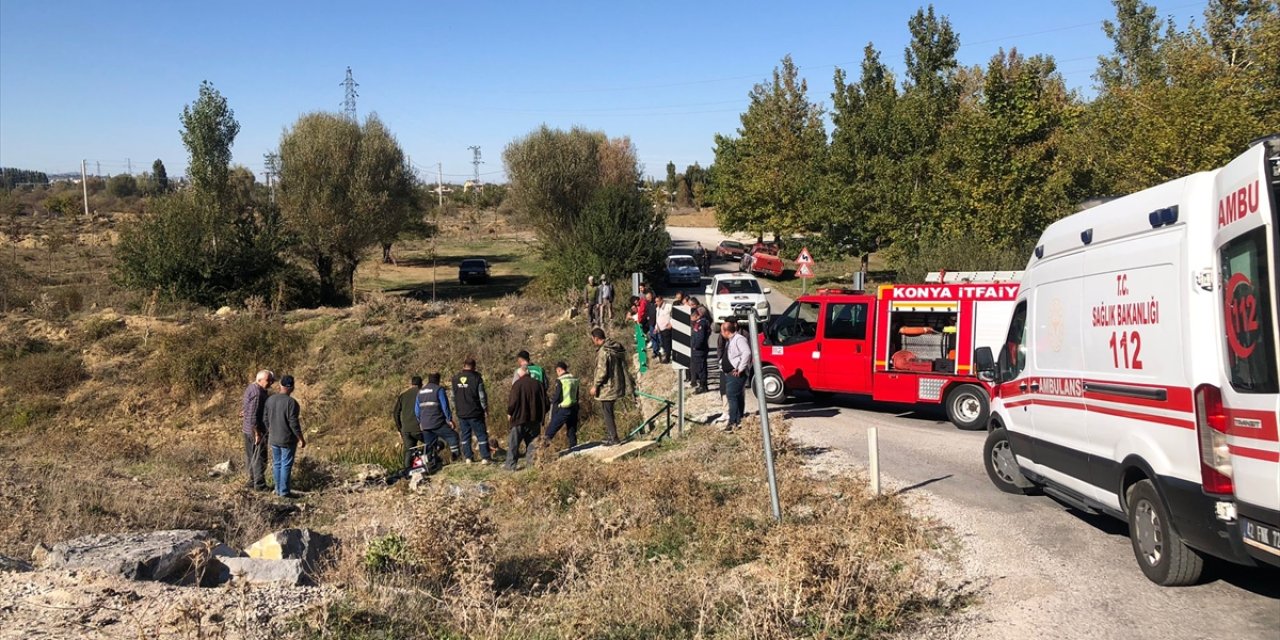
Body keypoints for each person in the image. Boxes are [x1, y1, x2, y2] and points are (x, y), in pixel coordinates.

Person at [590, 328, 633, 445]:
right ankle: (611, 434)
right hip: (617, 384)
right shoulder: (614, 347)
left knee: (607, 412)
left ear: (596, 338)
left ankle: (614, 438)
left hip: (607, 387)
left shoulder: (604, 351)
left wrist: (595, 386)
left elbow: (602, 371)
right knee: (609, 411)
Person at [265, 375, 305, 498]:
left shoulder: (270, 400)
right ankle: (284, 492)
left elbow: (265, 419)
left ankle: (277, 489)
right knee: (286, 464)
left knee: (277, 463)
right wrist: (300, 438)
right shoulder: (292, 403)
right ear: (292, 388)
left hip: (274, 438)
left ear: (280, 385)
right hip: (287, 439)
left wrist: (270, 430)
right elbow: (294, 423)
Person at [506, 366, 548, 470]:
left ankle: (510, 466)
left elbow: (513, 402)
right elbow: (547, 403)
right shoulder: (539, 385)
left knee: (514, 444)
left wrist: (509, 413)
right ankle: (532, 466)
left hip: (519, 419)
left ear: (519, 375)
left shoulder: (517, 385)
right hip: (534, 419)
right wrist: (541, 415)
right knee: (532, 445)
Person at [416, 373, 461, 467]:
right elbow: (445, 406)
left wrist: (420, 421)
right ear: (438, 380)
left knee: (429, 446)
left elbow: (416, 410)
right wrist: (449, 419)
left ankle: (430, 465)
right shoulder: (438, 389)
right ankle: (456, 459)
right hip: (437, 422)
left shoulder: (420, 392)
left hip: (425, 425)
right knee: (453, 436)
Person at [239, 370, 274, 491]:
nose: (271, 383)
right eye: (268, 380)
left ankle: (252, 481)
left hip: (247, 429)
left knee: (251, 456)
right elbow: (254, 415)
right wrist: (257, 433)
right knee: (260, 457)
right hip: (255, 431)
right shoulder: (258, 393)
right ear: (259, 380)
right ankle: (259, 485)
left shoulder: (251, 388)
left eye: (271, 380)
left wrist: (245, 412)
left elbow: (249, 407)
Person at [452, 358, 492, 464]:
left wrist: (456, 408)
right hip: (475, 411)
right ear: (474, 366)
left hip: (461, 413)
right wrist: (485, 408)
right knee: (481, 434)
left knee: (465, 435)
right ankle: (485, 457)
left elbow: (453, 396)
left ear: (464, 365)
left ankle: (468, 458)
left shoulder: (455, 378)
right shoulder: (477, 378)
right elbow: (482, 396)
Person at [721, 320, 752, 432]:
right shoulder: (731, 340)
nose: (721, 333)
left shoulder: (739, 339)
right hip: (730, 373)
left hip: (737, 374)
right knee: (737, 397)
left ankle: (733, 422)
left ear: (726, 331)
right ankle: (738, 420)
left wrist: (740, 368)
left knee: (732, 397)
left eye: (721, 331)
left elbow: (747, 352)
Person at [392, 375, 424, 472]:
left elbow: (395, 412)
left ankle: (407, 473)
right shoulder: (422, 394)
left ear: (411, 384)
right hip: (420, 428)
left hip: (406, 429)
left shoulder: (403, 395)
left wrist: (399, 428)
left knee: (408, 451)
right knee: (433, 443)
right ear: (421, 384)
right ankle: (428, 465)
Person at [545, 361, 580, 449]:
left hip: (564, 408)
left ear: (559, 370)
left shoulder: (560, 380)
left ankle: (541, 451)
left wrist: (552, 405)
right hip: (574, 407)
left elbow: (557, 396)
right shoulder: (574, 378)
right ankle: (574, 448)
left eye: (557, 371)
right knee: (571, 430)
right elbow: (577, 394)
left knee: (550, 430)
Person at [690, 306, 711, 394]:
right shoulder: (699, 323)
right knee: (699, 368)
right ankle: (701, 384)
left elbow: (700, 338)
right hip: (697, 350)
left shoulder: (701, 324)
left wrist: (696, 346)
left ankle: (703, 386)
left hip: (699, 350)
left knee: (701, 368)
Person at [655, 295, 673, 364]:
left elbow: (673, 315)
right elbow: (658, 318)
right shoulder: (658, 308)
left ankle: (668, 358)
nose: (657, 303)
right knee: (664, 344)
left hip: (667, 328)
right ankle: (666, 356)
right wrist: (656, 327)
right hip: (661, 329)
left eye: (658, 301)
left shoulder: (668, 306)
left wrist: (671, 323)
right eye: (656, 301)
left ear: (662, 300)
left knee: (667, 344)